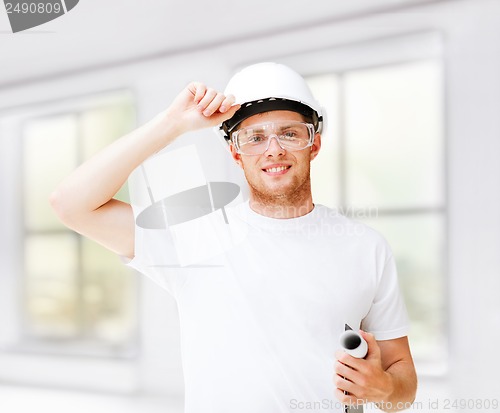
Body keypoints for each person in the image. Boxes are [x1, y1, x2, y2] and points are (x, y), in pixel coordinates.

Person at [50, 62, 417, 412]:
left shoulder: (365, 247)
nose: (274, 149)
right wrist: (172, 124)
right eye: (254, 138)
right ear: (235, 153)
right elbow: (71, 204)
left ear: (314, 144)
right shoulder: (196, 238)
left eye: (289, 133)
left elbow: (402, 384)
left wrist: (384, 388)